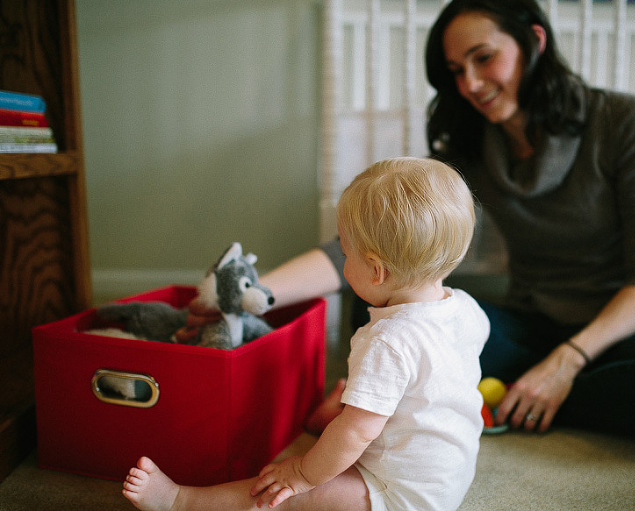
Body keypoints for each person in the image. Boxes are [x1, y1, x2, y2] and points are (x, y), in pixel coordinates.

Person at [182, 0, 635, 442]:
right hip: (524, 326)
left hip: (617, 333)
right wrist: (248, 295)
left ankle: (518, 397)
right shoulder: (469, 143)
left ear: (533, 40)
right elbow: (366, 249)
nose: (471, 84)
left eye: (483, 58)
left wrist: (566, 364)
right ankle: (513, 396)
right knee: (388, 300)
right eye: (456, 70)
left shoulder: (622, 121)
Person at [123, 157, 491, 511]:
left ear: (377, 272)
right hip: (449, 475)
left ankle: (180, 502)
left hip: (401, 494)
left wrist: (300, 473)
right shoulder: (465, 307)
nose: (342, 259)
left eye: (345, 252)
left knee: (284, 494)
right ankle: (333, 416)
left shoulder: (388, 341)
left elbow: (356, 434)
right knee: (366, 414)